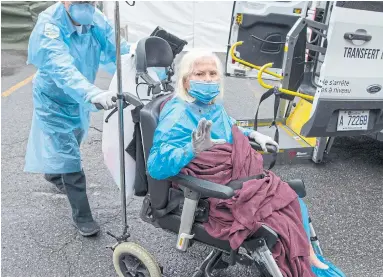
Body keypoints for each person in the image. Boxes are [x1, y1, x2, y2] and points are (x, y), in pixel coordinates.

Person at [147, 49, 345, 276]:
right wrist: (190, 149)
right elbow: (155, 166)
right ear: (186, 80)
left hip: (237, 176)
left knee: (293, 201)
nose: (208, 79)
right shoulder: (177, 113)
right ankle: (304, 261)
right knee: (276, 220)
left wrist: (253, 136)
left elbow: (231, 128)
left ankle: (310, 257)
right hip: (212, 190)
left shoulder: (212, 106)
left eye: (213, 73)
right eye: (200, 74)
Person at [24, 1, 130, 237]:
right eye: (79, 0)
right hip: (53, 98)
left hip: (80, 95)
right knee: (68, 154)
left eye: (90, 1)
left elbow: (117, 48)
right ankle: (82, 215)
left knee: (75, 137)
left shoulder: (96, 18)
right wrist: (92, 93)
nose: (86, 4)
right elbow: (61, 68)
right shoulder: (49, 25)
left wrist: (141, 62)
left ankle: (52, 173)